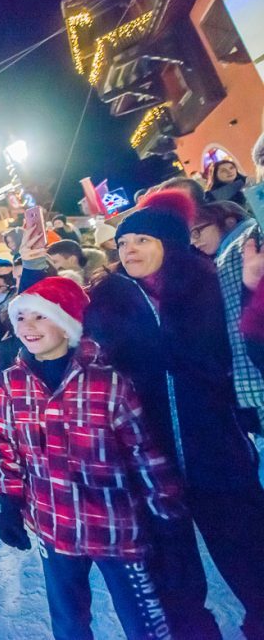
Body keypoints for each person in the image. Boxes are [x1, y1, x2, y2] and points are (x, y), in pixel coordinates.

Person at [85, 190, 264, 639]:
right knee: (177, 583)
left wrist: (251, 290)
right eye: (123, 244)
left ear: (168, 241)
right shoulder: (109, 299)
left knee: (250, 559)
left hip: (218, 451)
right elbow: (59, 335)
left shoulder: (207, 283)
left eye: (140, 240)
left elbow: (248, 350)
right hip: (151, 464)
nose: (128, 251)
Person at [0, 277, 180, 640]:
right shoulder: (11, 382)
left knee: (145, 624)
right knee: (69, 624)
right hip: (53, 524)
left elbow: (144, 454)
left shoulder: (107, 381)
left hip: (114, 526)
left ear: (67, 322)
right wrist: (9, 503)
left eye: (41, 317)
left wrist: (166, 516)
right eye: (22, 319)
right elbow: (4, 445)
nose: (28, 327)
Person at [191, 201, 264, 433]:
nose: (194, 241)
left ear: (228, 220)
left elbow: (236, 327)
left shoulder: (235, 251)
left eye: (198, 231)